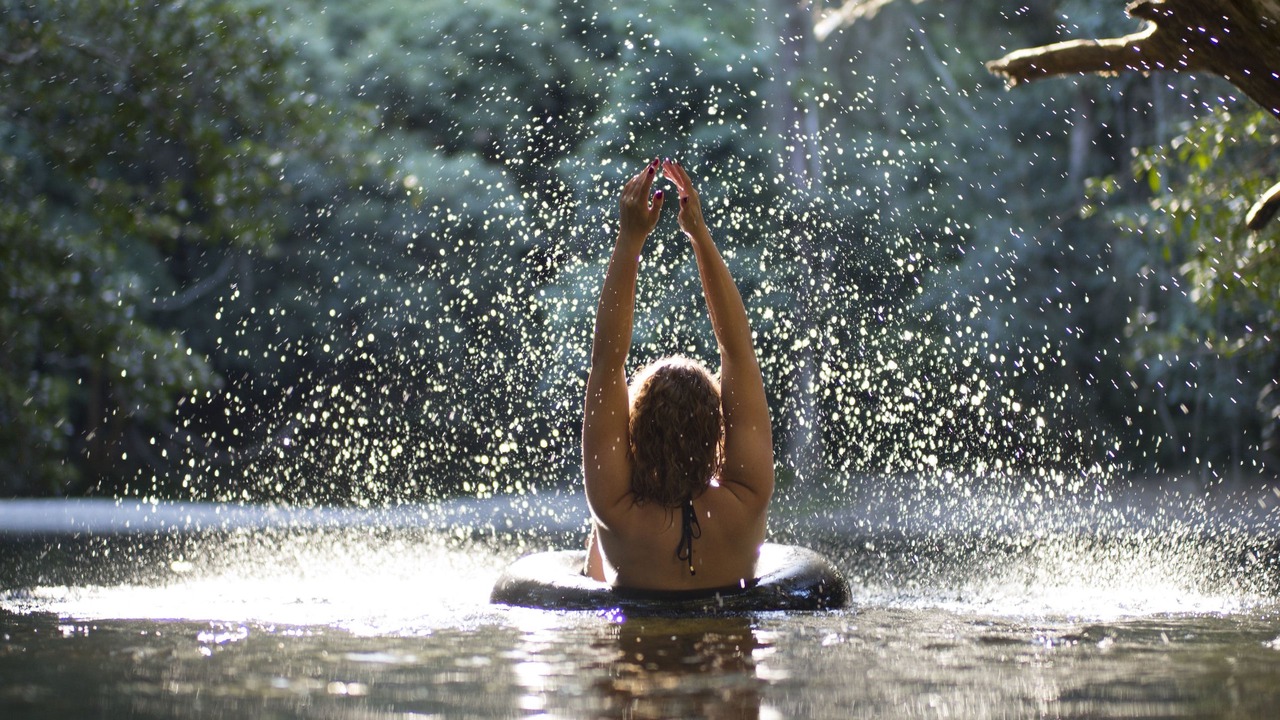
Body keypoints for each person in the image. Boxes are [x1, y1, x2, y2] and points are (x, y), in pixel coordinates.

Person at [582, 157, 774, 591]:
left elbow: (607, 362)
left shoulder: (615, 512)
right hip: (724, 649)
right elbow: (738, 353)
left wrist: (629, 241)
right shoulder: (747, 500)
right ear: (717, 432)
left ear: (634, 435)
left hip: (638, 643)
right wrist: (699, 235)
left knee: (595, 540)